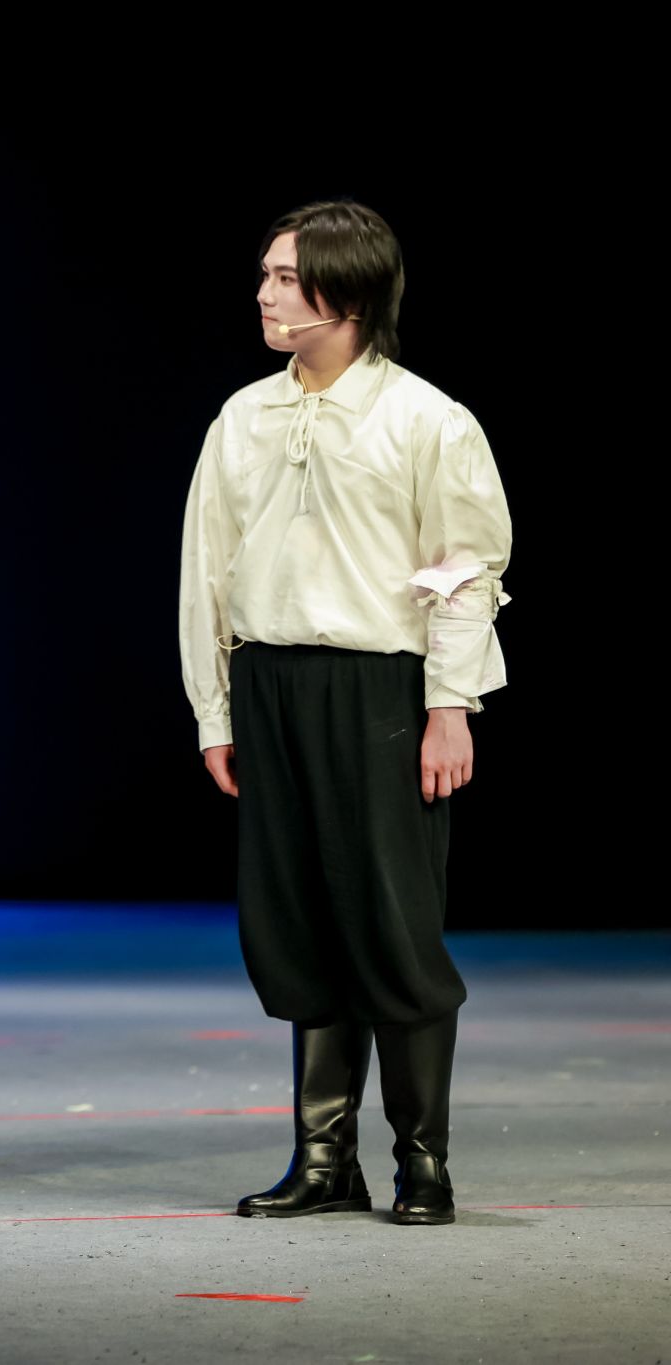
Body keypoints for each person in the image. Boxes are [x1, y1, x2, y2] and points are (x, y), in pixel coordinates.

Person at [178, 200, 512, 1227]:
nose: (264, 293)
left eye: (285, 277)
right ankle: (323, 1159)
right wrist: (215, 710)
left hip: (379, 690)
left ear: (348, 293)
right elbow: (205, 572)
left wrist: (449, 704)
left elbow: (464, 568)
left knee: (390, 924)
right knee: (297, 924)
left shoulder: (424, 418)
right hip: (272, 685)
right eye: (266, 274)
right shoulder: (243, 417)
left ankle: (423, 1161)